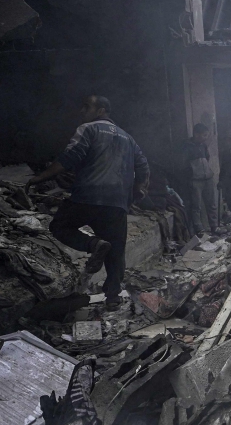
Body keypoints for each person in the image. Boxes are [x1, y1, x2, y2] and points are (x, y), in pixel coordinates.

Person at [27, 96, 149, 309]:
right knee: (116, 249)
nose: (82, 110)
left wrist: (39, 178)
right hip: (117, 202)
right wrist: (139, 188)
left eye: (87, 107)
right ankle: (112, 297)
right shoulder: (129, 139)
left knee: (59, 226)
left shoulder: (88, 129)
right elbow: (144, 167)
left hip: (87, 196)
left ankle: (93, 244)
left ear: (101, 110)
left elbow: (70, 157)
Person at [179, 123, 218, 235]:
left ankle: (214, 226)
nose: (205, 138)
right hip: (195, 180)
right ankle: (199, 228)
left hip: (207, 178)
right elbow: (183, 164)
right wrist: (192, 173)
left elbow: (207, 157)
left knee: (211, 204)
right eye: (204, 135)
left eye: (206, 135)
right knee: (196, 205)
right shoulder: (187, 146)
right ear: (196, 134)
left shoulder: (203, 146)